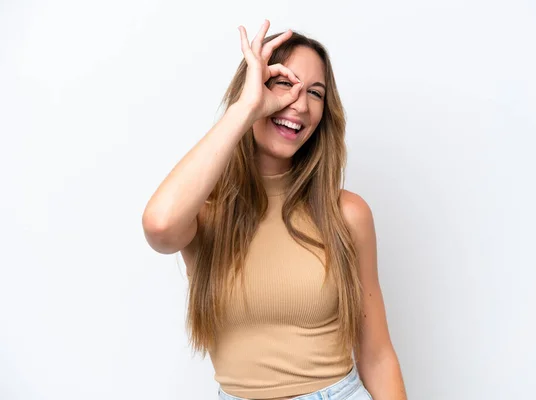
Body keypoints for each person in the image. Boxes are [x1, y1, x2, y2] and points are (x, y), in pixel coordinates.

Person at [142, 19, 407, 400]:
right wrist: (246, 109)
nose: (299, 103)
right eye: (284, 83)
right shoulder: (205, 213)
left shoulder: (346, 214)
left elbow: (377, 355)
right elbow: (159, 225)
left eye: (316, 93)